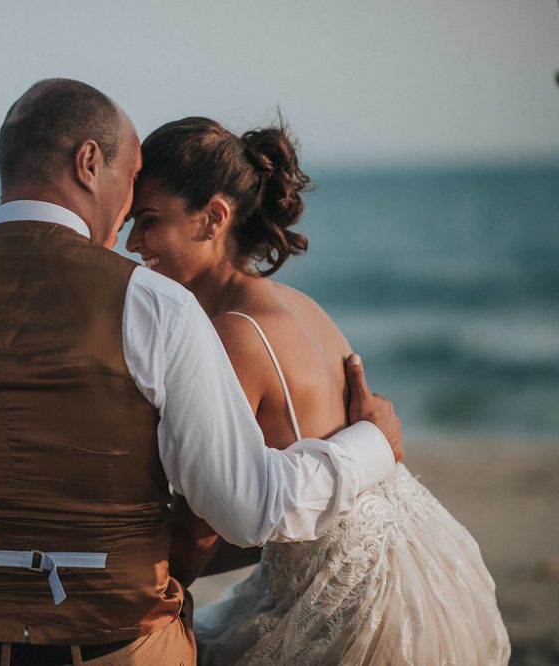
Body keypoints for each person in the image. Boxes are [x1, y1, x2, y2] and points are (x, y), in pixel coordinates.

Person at [0, 79, 402, 666]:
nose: (130, 222)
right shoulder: (155, 305)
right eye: (132, 175)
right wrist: (371, 444)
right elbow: (247, 508)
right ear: (89, 162)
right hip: (118, 651)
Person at [126, 115, 510, 665]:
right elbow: (269, 513)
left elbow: (202, 527)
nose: (132, 242)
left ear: (213, 217)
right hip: (422, 567)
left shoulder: (232, 335)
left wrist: (147, 597)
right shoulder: (301, 306)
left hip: (354, 611)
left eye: (148, 220)